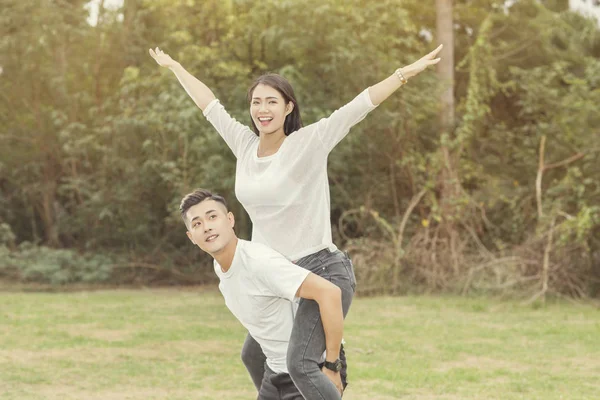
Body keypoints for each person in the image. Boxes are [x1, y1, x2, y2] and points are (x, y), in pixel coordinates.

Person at [150, 44, 442, 400]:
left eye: (271, 101)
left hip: (320, 267)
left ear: (288, 107)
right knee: (253, 354)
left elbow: (360, 106)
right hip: (275, 275)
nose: (262, 109)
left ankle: (332, 367)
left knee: (302, 363)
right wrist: (176, 66)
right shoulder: (244, 146)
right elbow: (209, 106)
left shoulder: (309, 142)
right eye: (256, 102)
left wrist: (403, 73)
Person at [180, 188, 345, 399]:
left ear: (230, 219)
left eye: (212, 216)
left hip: (310, 372)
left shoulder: (259, 262)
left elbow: (329, 292)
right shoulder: (221, 266)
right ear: (191, 237)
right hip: (275, 374)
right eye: (197, 223)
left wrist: (332, 366)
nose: (206, 227)